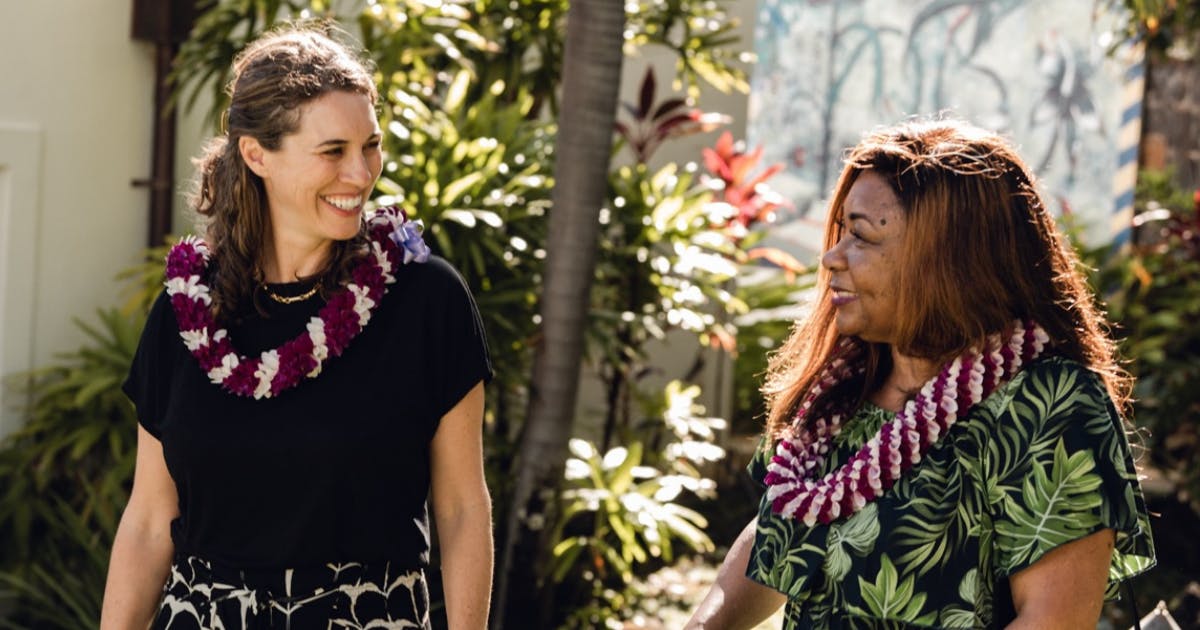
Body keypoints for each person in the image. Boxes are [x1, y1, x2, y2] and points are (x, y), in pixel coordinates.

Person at [686, 119, 1156, 629]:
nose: (831, 257)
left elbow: (1054, 620)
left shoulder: (1047, 405)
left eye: (861, 236)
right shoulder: (843, 386)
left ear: (949, 260)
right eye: (842, 231)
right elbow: (780, 535)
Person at [100, 25, 494, 630]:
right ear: (257, 155)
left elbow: (463, 508)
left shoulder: (426, 300)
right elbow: (152, 519)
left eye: (371, 146)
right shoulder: (187, 312)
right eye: (333, 151)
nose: (361, 175)